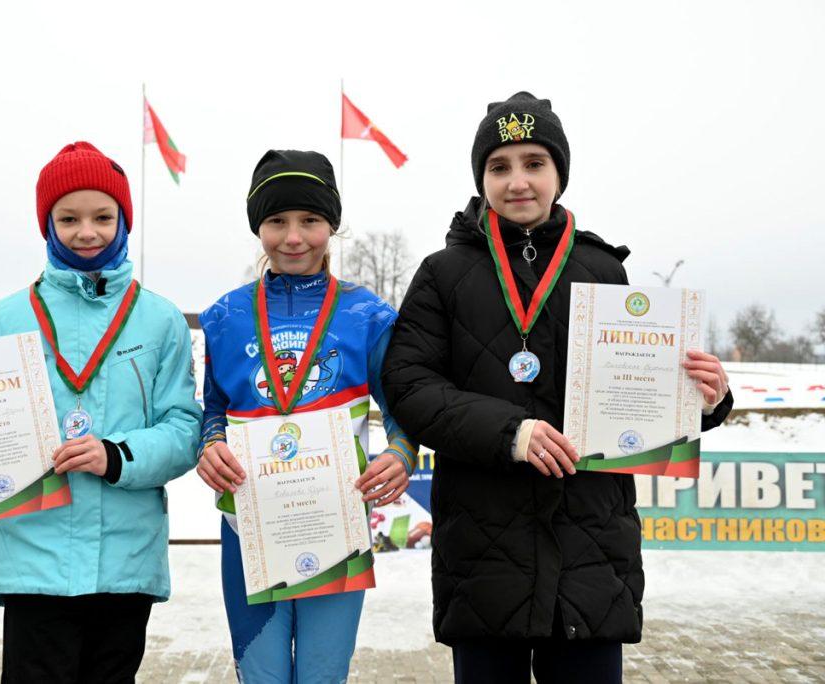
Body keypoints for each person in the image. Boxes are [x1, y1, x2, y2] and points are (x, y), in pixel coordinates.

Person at [381, 93, 732, 683]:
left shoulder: (601, 270)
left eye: (534, 163)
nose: (518, 181)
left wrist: (707, 397)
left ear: (559, 174)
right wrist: (510, 434)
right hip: (484, 551)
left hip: (589, 547)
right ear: (481, 177)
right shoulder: (443, 273)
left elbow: (641, 393)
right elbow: (409, 387)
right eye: (499, 166)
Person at [0, 141, 202, 683]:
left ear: (125, 220)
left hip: (125, 560)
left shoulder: (161, 319)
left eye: (103, 216)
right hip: (32, 554)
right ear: (47, 225)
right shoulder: (9, 315)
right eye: (68, 217)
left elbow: (184, 427)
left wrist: (117, 456)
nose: (87, 231)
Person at [196, 150, 418, 683]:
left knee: (323, 675)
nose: (294, 238)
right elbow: (213, 409)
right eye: (277, 221)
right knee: (264, 676)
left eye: (310, 221)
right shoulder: (225, 316)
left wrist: (400, 453)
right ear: (258, 227)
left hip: (336, 521)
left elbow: (400, 410)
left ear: (332, 227)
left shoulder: (368, 314)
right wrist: (208, 447)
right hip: (248, 522)